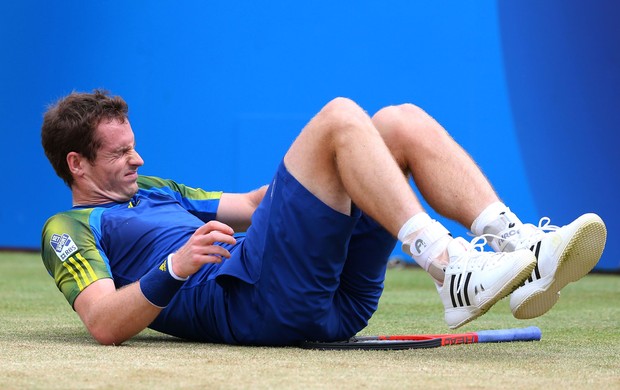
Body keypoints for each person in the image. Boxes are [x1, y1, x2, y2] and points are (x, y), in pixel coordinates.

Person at [40, 90, 607, 346]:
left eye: (134, 146)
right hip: (258, 303)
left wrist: (337, 164)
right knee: (339, 116)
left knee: (395, 121)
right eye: (119, 153)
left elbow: (256, 207)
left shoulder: (158, 189)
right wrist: (178, 265)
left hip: (331, 306)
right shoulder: (68, 230)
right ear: (77, 164)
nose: (137, 158)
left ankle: (524, 248)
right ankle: (448, 263)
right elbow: (104, 323)